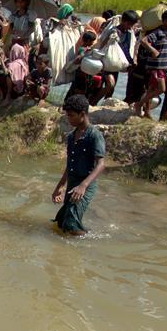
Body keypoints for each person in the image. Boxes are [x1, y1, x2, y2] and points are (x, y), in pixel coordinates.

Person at [52, 95, 105, 236]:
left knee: (71, 224)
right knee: (61, 221)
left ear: (82, 114)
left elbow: (101, 164)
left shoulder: (94, 135)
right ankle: (81, 236)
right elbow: (70, 164)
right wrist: (60, 186)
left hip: (85, 185)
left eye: (71, 116)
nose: (69, 119)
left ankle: (86, 244)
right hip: (72, 183)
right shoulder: (71, 137)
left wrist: (83, 185)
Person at [134, 9, 167, 118]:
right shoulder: (158, 32)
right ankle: (139, 104)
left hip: (162, 67)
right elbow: (144, 41)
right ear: (164, 21)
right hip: (156, 66)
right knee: (161, 89)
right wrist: (153, 50)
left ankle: (147, 112)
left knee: (151, 89)